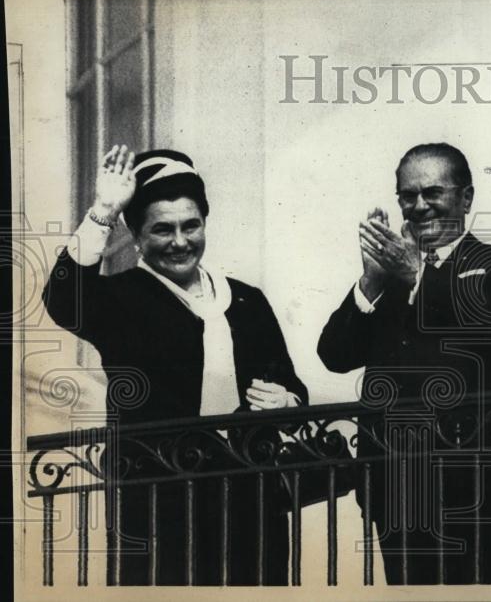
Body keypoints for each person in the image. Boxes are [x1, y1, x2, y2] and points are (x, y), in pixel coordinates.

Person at [43, 146, 308, 584]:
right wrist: (104, 210)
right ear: (138, 236)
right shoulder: (121, 299)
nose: (180, 241)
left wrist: (287, 399)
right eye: (162, 229)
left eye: (191, 226)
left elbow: (290, 382)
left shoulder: (246, 300)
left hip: (249, 499)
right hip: (157, 503)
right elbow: (62, 301)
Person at [317, 143, 491, 584]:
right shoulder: (392, 278)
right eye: (408, 195)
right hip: (396, 487)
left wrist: (418, 276)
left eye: (433, 193)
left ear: (466, 198)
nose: (419, 206)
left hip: (483, 488)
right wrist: (370, 279)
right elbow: (335, 355)